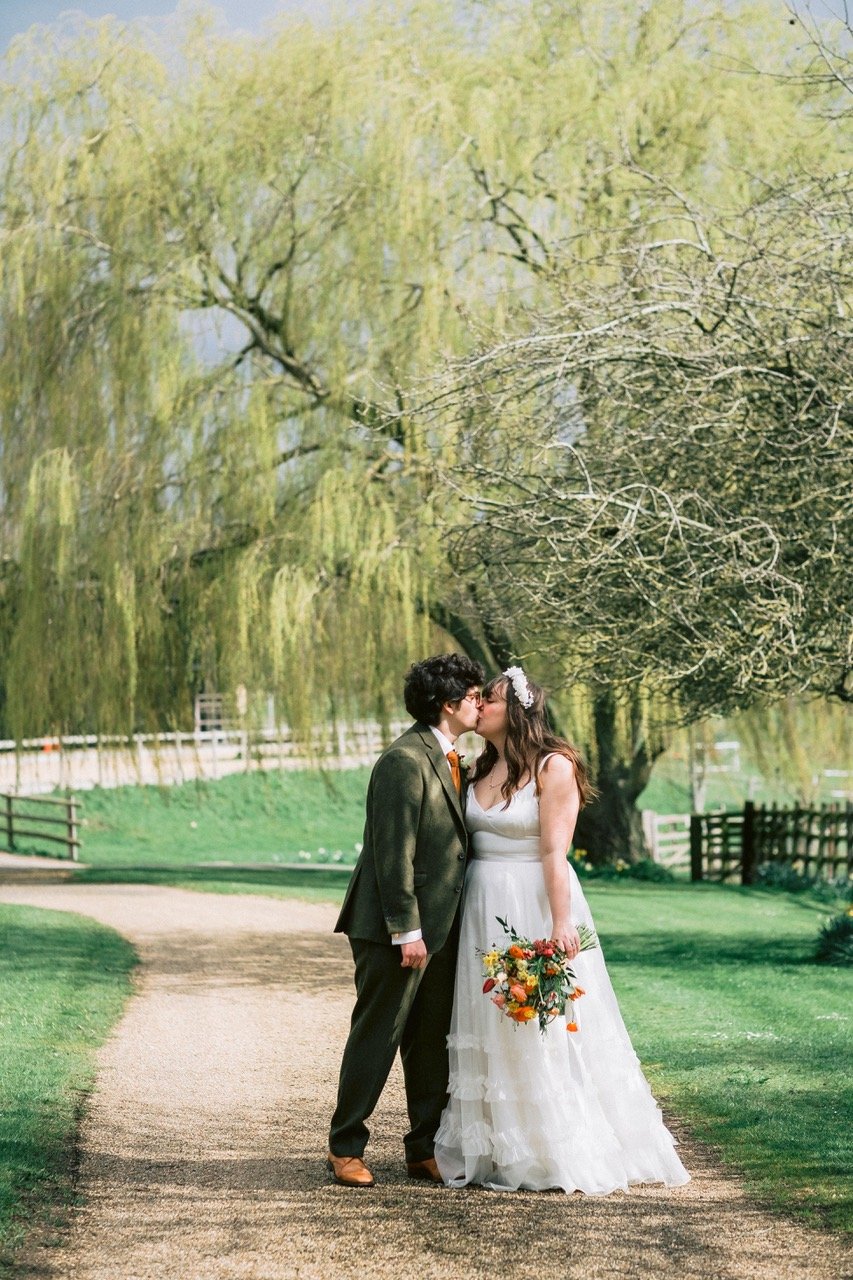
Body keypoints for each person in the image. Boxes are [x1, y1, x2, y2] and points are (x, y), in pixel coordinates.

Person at [434, 667, 690, 1194]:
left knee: (541, 1020)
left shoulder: (555, 767)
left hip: (531, 900)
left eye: (492, 699)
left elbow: (554, 850)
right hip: (482, 906)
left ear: (519, 710)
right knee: (491, 1018)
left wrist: (559, 922)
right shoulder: (480, 765)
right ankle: (502, 1147)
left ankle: (555, 1144)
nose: (478, 705)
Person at [327, 652, 485, 1188]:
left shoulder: (452, 758)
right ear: (448, 705)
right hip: (396, 930)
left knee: (431, 1039)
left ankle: (423, 1148)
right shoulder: (404, 760)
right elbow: (393, 852)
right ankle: (344, 1147)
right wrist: (407, 930)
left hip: (441, 928)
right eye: (473, 697)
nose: (481, 704)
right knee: (379, 1033)